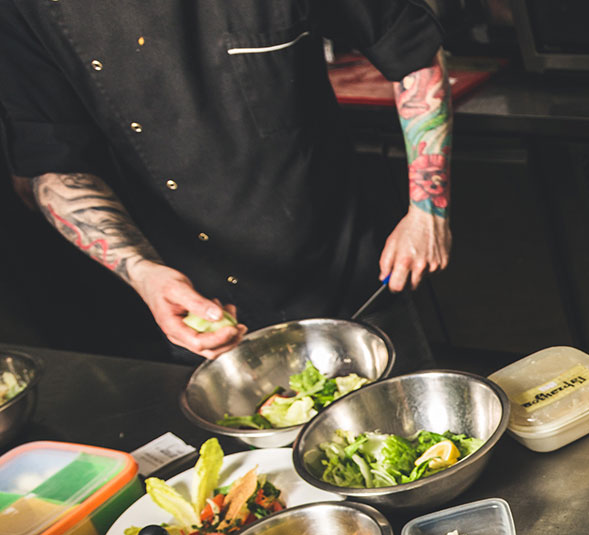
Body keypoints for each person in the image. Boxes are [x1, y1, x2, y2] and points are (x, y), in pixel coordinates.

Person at [0, 0, 453, 360]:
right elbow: (52, 165)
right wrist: (143, 274)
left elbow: (410, 48)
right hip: (195, 311)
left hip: (353, 281)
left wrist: (427, 209)